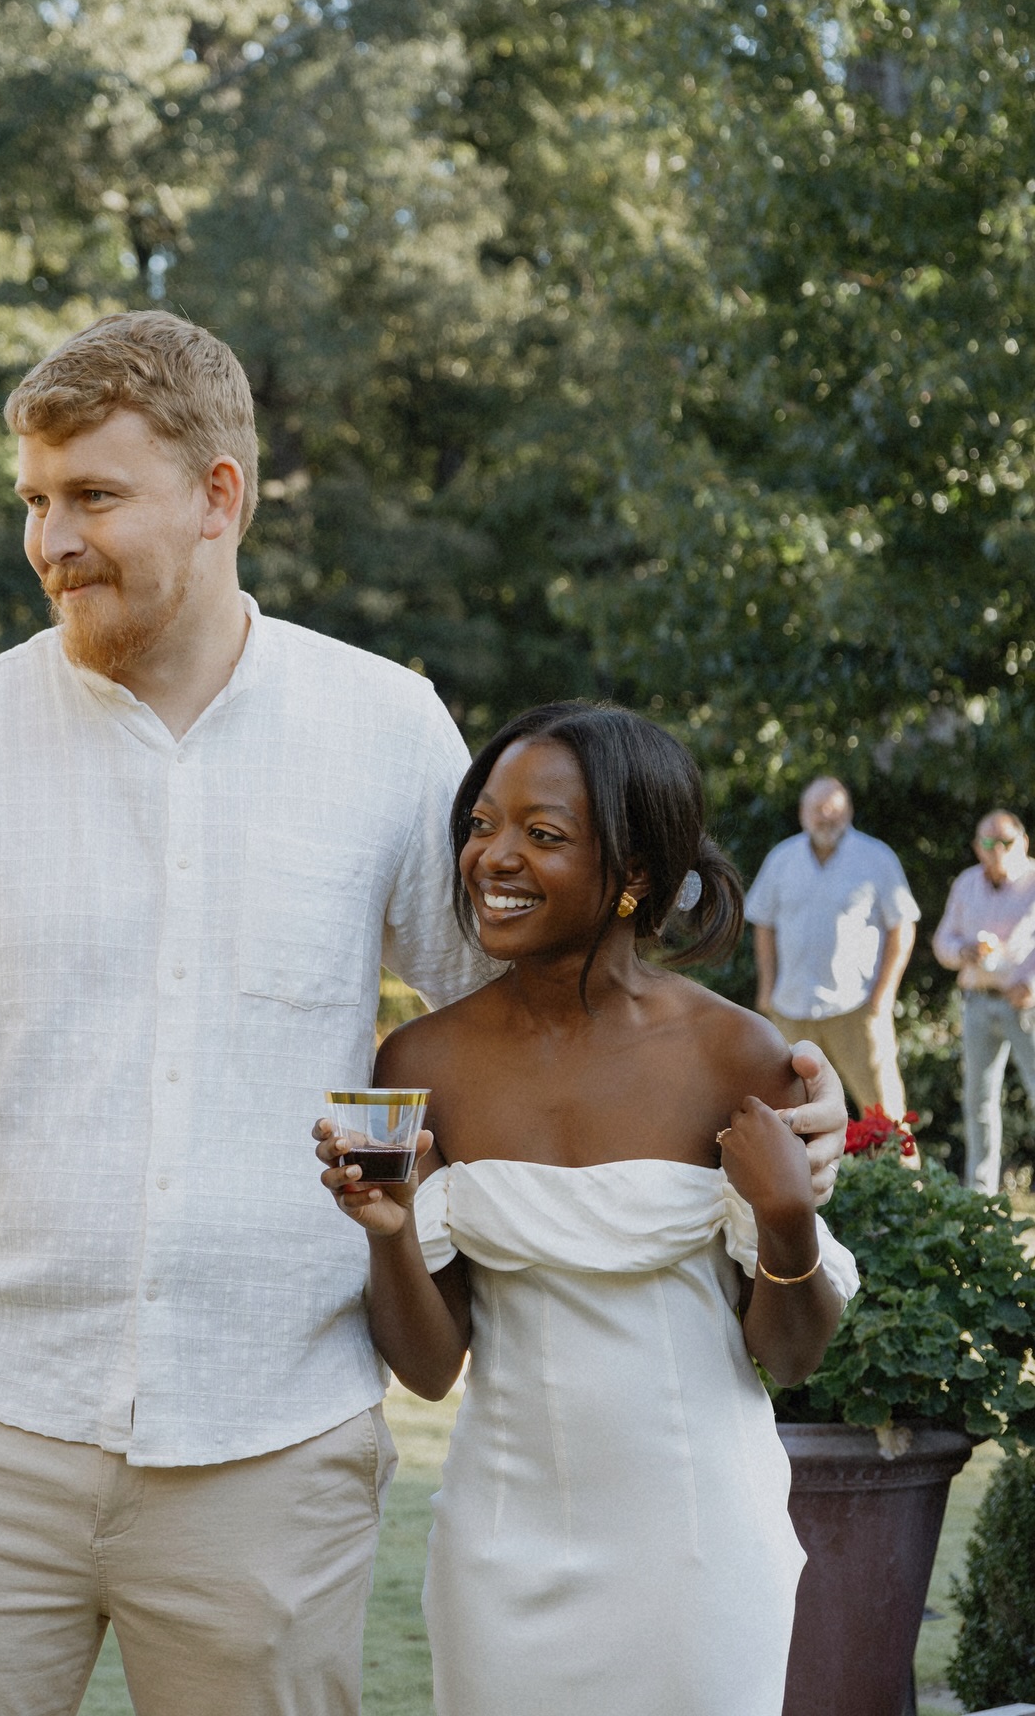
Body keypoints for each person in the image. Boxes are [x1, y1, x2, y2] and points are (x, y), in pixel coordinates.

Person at [0, 313, 850, 1716]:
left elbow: (524, 1021)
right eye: (33, 500)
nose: (49, 540)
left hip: (272, 1441)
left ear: (218, 498)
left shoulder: (384, 731)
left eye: (92, 497)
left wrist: (773, 1099)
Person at [316, 702, 858, 1716]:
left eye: (542, 834)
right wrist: (389, 1236)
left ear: (637, 876)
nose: (493, 857)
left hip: (702, 1545)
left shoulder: (737, 1055)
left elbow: (789, 1357)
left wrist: (787, 1223)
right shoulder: (423, 1063)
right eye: (480, 825)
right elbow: (430, 1369)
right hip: (500, 1545)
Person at [746, 776, 919, 1117]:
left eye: (835, 809)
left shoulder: (876, 858)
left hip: (856, 1006)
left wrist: (883, 996)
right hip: (790, 1008)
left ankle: (903, 1173)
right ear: (802, 814)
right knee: (787, 1112)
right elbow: (763, 925)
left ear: (849, 811)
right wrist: (767, 989)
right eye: (818, 809)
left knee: (885, 1115)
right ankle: (799, 1173)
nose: (826, 817)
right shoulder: (782, 859)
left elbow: (903, 927)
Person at [932, 810, 1035, 1193]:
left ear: (1022, 842)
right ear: (978, 847)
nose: (998, 850)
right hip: (977, 1002)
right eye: (989, 843)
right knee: (978, 1103)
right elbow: (943, 943)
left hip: (1026, 1005)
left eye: (1006, 841)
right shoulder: (966, 884)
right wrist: (965, 951)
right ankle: (980, 1195)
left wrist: (1032, 984)